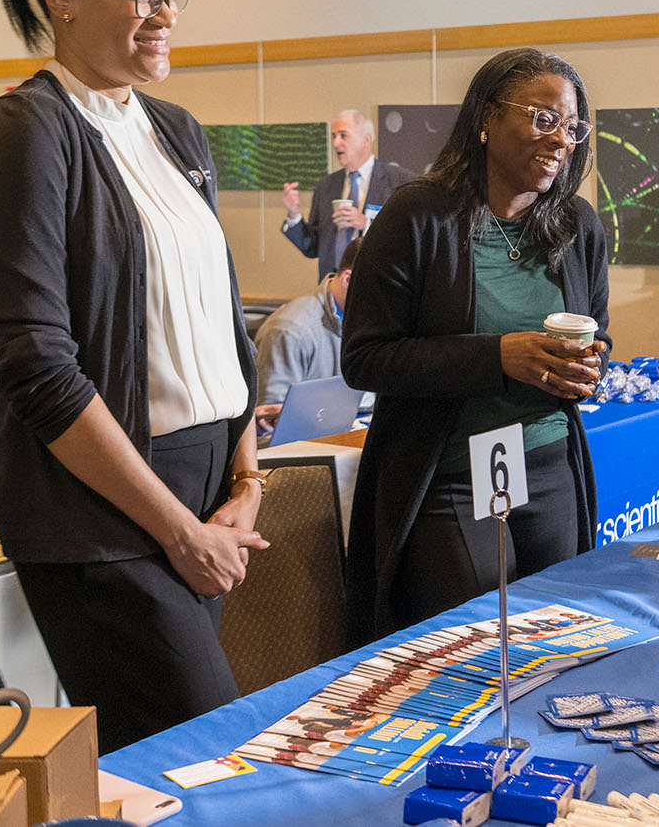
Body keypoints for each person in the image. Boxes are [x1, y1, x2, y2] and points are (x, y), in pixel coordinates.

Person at [0, 0, 268, 752]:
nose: (163, 17)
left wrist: (245, 482)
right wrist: (178, 529)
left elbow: (221, 321)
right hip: (104, 513)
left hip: (208, 489)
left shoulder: (175, 130)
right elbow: (37, 364)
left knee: (162, 768)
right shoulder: (27, 128)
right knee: (208, 752)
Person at [341, 48, 609, 641]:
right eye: (543, 119)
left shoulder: (578, 225)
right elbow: (364, 356)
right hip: (451, 469)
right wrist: (496, 358)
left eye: (572, 126)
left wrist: (588, 369)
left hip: (547, 460)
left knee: (555, 643)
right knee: (478, 647)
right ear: (487, 118)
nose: (562, 139)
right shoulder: (418, 216)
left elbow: (600, 335)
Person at [281, 110, 415, 281]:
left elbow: (408, 241)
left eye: (343, 136)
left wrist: (366, 223)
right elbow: (312, 247)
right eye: (334, 136)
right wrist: (293, 214)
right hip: (332, 291)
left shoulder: (399, 182)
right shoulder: (325, 186)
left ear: (366, 140)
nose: (336, 143)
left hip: (377, 285)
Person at [252, 235, 361, 433]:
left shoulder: (361, 321)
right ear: (348, 279)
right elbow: (268, 425)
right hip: (295, 449)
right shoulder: (290, 330)